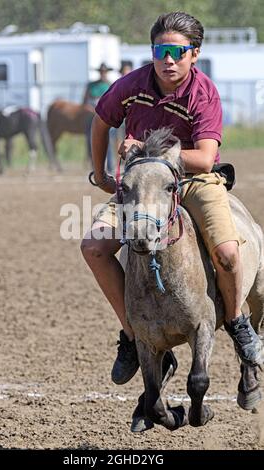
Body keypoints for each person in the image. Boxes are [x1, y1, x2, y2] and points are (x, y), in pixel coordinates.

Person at [81, 11, 263, 385]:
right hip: (142, 184)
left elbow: (205, 157)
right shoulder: (131, 84)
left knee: (228, 252)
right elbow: (101, 121)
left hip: (194, 180)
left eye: (178, 52)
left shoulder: (204, 93)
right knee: (92, 246)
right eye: (161, 50)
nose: (168, 60)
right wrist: (100, 174)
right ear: (152, 52)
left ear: (194, 54)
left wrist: (154, 154)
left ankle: (236, 321)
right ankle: (132, 336)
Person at [83, 63, 115, 174]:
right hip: (91, 118)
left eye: (104, 72)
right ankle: (96, 168)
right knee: (92, 143)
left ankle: (110, 168)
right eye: (101, 71)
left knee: (108, 143)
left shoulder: (111, 85)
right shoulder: (91, 86)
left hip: (106, 119)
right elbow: (85, 103)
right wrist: (94, 111)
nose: (103, 74)